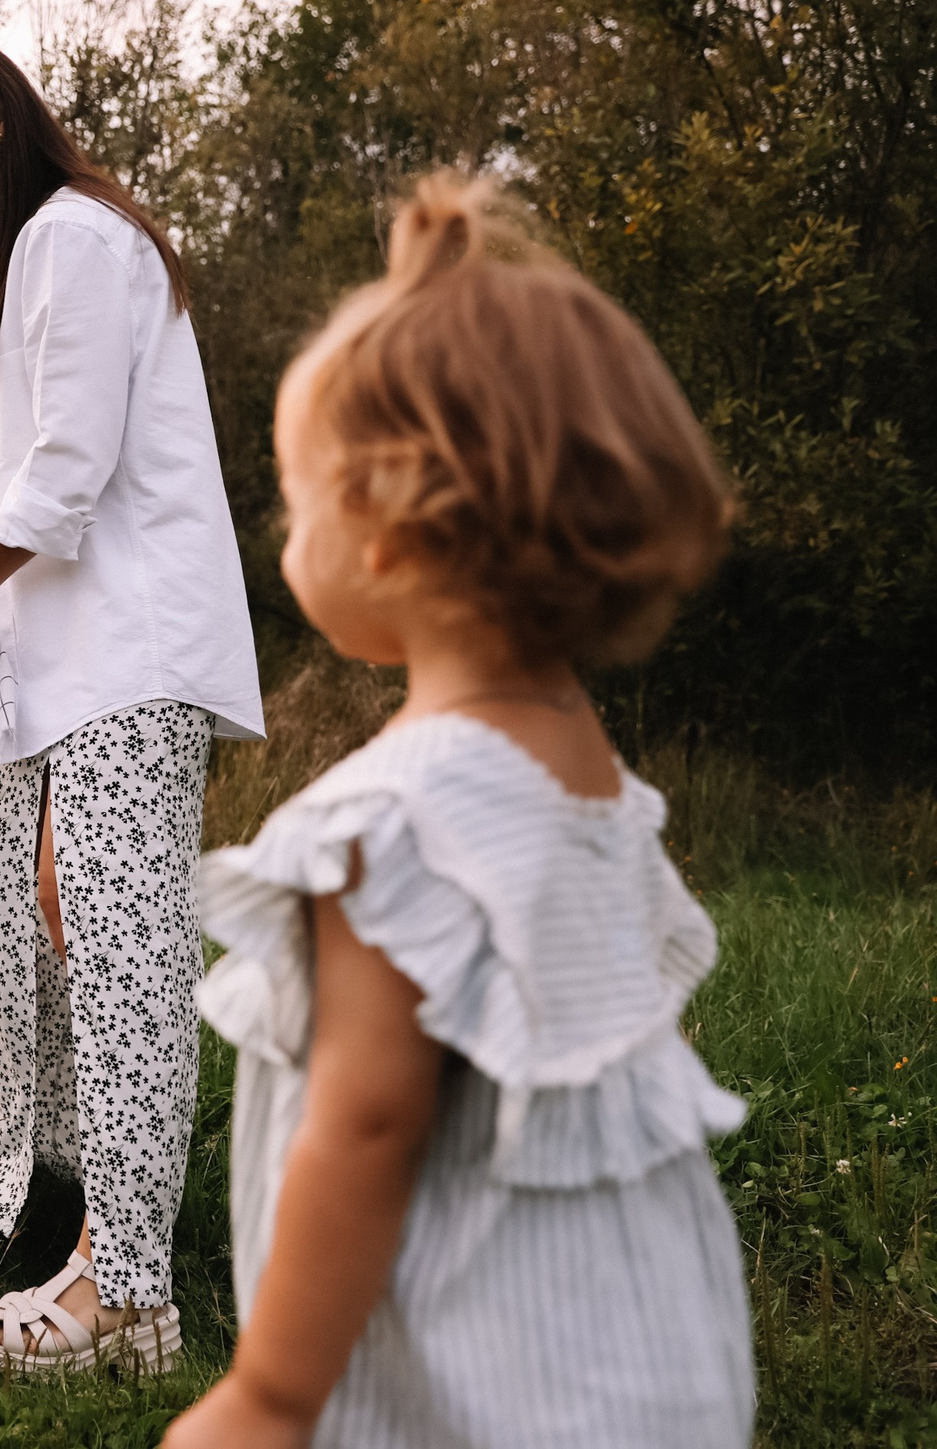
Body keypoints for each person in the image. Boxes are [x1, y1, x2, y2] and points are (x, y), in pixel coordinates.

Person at [164, 175, 751, 1446]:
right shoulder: (588, 776)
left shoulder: (395, 824)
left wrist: (267, 1395)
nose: (279, 532)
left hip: (485, 1375)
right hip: (636, 1349)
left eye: (291, 493)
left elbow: (366, 1125)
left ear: (383, 523)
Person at [0, 39, 262, 1375]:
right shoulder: (26, 261)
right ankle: (11, 1159)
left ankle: (128, 1296)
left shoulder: (76, 239)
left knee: (125, 955)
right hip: (64, 657)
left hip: (133, 653)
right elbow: (28, 467)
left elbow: (71, 470)